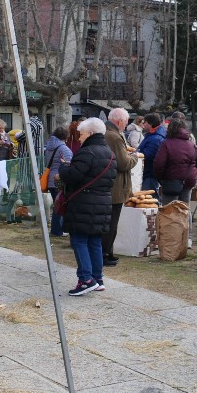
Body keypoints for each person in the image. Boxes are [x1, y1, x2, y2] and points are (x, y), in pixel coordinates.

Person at [59, 118, 116, 296]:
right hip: (103, 202)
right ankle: (97, 279)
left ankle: (85, 279)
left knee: (79, 240)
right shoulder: (109, 153)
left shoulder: (86, 152)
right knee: (94, 241)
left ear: (90, 133)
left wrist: (63, 169)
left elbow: (73, 176)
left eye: (81, 134)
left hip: (83, 203)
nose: (79, 138)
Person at [103, 108, 138, 266]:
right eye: (126, 121)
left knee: (108, 222)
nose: (127, 124)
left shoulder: (106, 132)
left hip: (108, 185)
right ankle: (106, 253)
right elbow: (124, 163)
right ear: (119, 121)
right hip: (115, 187)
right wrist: (135, 157)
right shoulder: (114, 136)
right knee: (111, 223)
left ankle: (107, 252)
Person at [153, 118, 197, 206]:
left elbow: (159, 164)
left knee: (169, 209)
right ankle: (186, 220)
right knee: (184, 208)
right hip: (188, 180)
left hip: (171, 180)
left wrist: (160, 178)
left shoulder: (166, 143)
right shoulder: (191, 144)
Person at [43, 127, 73, 237]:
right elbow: (69, 164)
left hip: (50, 178)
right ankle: (57, 230)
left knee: (57, 204)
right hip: (59, 179)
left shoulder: (49, 146)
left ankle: (57, 229)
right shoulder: (63, 149)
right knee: (59, 205)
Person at [137, 113, 165, 193]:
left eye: (145, 122)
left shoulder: (156, 138)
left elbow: (148, 155)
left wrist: (136, 154)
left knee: (150, 197)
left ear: (151, 124)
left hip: (150, 173)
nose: (143, 124)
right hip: (149, 172)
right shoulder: (152, 135)